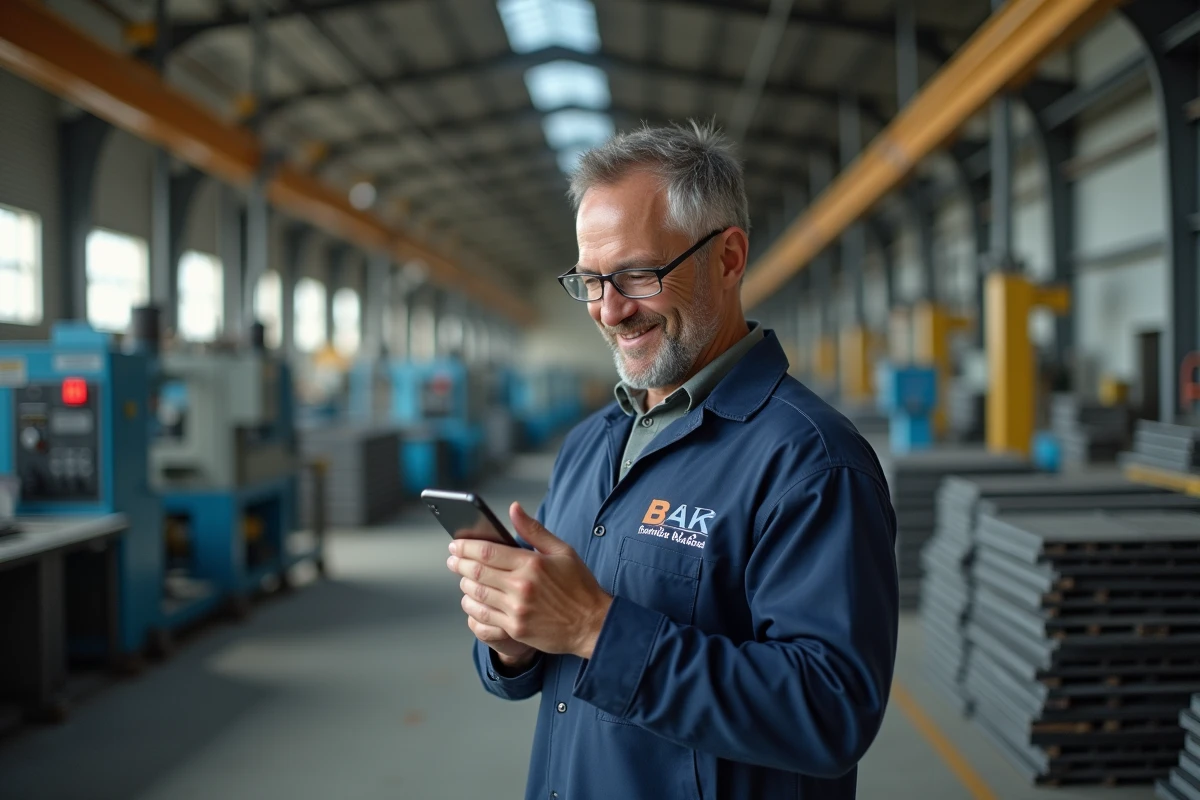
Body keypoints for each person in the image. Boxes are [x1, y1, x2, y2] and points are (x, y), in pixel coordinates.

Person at [446, 121, 899, 799]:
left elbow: (830, 713)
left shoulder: (811, 463)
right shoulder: (590, 444)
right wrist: (511, 638)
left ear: (728, 258)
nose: (610, 311)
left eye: (636, 274)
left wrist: (595, 627)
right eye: (591, 281)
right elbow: (547, 663)